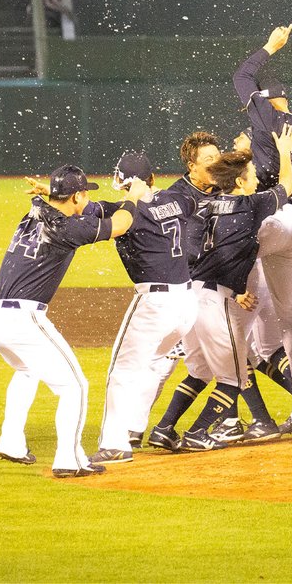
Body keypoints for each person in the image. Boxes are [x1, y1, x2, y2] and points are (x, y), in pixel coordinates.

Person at [0, 165, 147, 477]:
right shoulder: (69, 229)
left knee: (26, 370)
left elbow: (53, 206)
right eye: (84, 193)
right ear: (75, 196)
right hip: (23, 320)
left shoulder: (35, 211)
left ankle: (11, 441)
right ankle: (69, 460)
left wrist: (50, 192)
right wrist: (133, 198)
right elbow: (121, 224)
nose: (88, 199)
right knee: (75, 386)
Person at [151, 131, 292, 451]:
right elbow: (286, 186)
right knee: (234, 378)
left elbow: (195, 251)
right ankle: (197, 432)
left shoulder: (204, 206)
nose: (256, 179)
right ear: (240, 182)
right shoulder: (249, 205)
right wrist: (285, 151)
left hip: (190, 296)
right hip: (212, 300)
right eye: (252, 175)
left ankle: (163, 429)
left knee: (200, 372)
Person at [81, 151, 204, 464]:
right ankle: (133, 428)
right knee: (154, 362)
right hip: (186, 302)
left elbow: (97, 212)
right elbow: (189, 202)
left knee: (121, 371)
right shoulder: (177, 200)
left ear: (126, 183)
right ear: (151, 178)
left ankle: (114, 443)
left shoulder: (130, 211)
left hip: (155, 302)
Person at [232, 25, 292, 431]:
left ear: (267, 100)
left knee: (229, 300)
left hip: (274, 217)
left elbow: (242, 77)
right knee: (290, 316)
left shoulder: (267, 114)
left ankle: (240, 416)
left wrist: (270, 46)